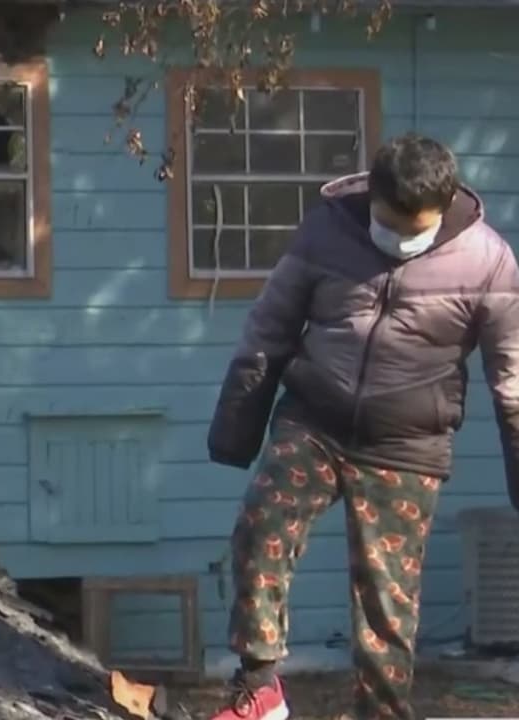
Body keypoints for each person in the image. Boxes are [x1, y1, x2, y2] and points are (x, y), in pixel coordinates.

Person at [205, 132, 519, 720]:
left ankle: (382, 713)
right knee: (259, 528)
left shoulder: (488, 262)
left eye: (413, 229)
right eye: (388, 224)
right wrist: (236, 430)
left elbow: (513, 378)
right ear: (372, 195)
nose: (398, 241)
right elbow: (270, 326)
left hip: (408, 445)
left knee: (386, 602)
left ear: (446, 205)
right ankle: (259, 687)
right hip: (314, 421)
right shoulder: (326, 231)